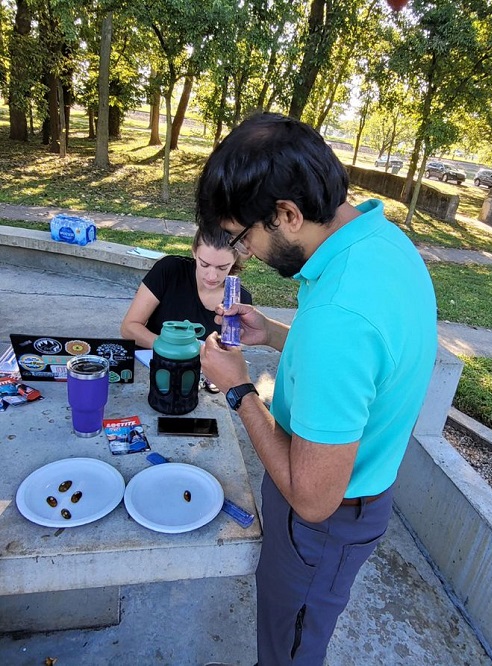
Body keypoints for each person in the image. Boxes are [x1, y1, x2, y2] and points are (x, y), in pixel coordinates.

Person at [196, 113, 437, 666]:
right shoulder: (377, 238)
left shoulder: (339, 319)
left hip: (323, 519)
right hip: (353, 493)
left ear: (287, 214)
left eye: (243, 236)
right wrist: (279, 335)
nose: (244, 253)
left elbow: (311, 499)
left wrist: (239, 392)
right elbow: (370, 358)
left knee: (289, 650)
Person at [121, 226, 252, 350]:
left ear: (235, 259)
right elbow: (129, 327)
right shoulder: (169, 270)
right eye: (204, 264)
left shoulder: (239, 298)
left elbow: (230, 352)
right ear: (194, 252)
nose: (212, 276)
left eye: (222, 267)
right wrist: (173, 349)